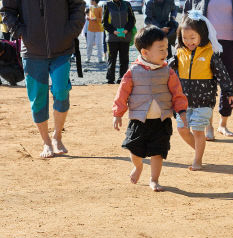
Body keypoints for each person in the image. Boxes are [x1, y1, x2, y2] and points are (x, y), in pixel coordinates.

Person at [1, 0, 85, 158]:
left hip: (62, 48)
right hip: (32, 50)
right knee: (38, 97)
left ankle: (57, 136)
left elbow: (78, 5)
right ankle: (46, 142)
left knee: (61, 90)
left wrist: (71, 31)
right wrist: (21, 33)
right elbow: (7, 11)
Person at [112, 26, 188, 191]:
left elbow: (177, 93)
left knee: (158, 152)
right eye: (160, 49)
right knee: (134, 149)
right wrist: (117, 113)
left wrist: (181, 111)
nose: (165, 52)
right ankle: (138, 166)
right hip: (139, 120)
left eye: (166, 48)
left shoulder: (168, 72)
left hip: (161, 121)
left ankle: (154, 179)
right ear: (145, 53)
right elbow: (122, 93)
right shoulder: (133, 71)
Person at [183, 0, 233, 140]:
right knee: (205, 84)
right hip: (205, 43)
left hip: (230, 43)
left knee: (229, 82)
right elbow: (188, 11)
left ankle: (223, 124)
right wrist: (183, 38)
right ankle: (208, 126)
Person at [170, 11, 233, 170]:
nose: (188, 42)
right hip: (183, 102)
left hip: (204, 102)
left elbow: (223, 74)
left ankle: (197, 160)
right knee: (182, 129)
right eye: (185, 38)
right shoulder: (179, 53)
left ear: (203, 35)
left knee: (198, 131)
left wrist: (230, 92)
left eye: (192, 38)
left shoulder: (210, 53)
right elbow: (166, 70)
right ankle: (199, 151)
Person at [103, 0, 136, 84]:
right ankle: (110, 79)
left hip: (125, 36)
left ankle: (122, 78)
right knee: (112, 59)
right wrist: (113, 31)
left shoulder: (127, 4)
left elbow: (132, 19)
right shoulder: (107, 5)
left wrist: (127, 29)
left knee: (124, 59)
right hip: (112, 37)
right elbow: (104, 22)